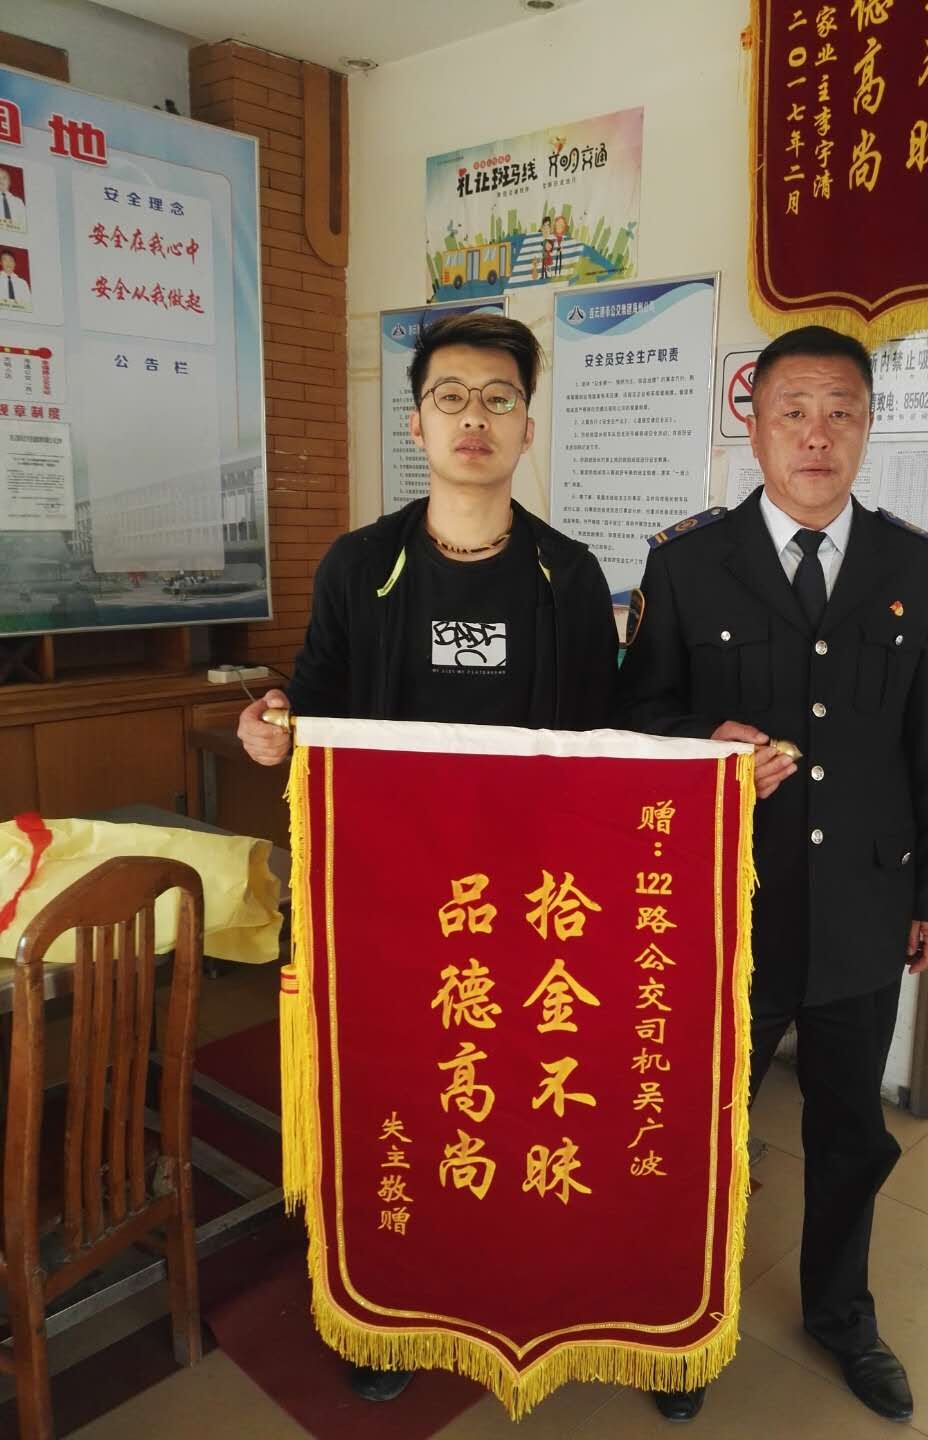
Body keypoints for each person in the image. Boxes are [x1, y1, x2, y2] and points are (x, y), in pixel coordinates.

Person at [238, 312, 618, 1400]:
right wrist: (273, 725)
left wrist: (710, 766)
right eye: (451, 397)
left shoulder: (569, 575)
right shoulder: (363, 564)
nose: (474, 418)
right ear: (416, 423)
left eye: (499, 398)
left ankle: (500, 1273)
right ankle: (385, 1307)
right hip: (390, 897)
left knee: (507, 1092)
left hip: (529, 901)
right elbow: (313, 694)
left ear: (528, 426)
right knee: (392, 1097)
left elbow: (611, 734)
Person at [616, 325, 928, 1426]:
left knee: (851, 1132)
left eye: (840, 413)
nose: (817, 436)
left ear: (868, 427)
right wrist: (701, 740)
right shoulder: (686, 562)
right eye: (793, 412)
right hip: (728, 907)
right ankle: (686, 1318)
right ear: (754, 426)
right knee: (704, 1125)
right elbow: (636, 716)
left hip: (866, 905)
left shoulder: (914, 566)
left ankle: (842, 1315)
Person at [0, 168, 27, 232]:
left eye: (4, 178)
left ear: (9, 182)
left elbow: (24, 223)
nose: (1, 181)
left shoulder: (18, 201)